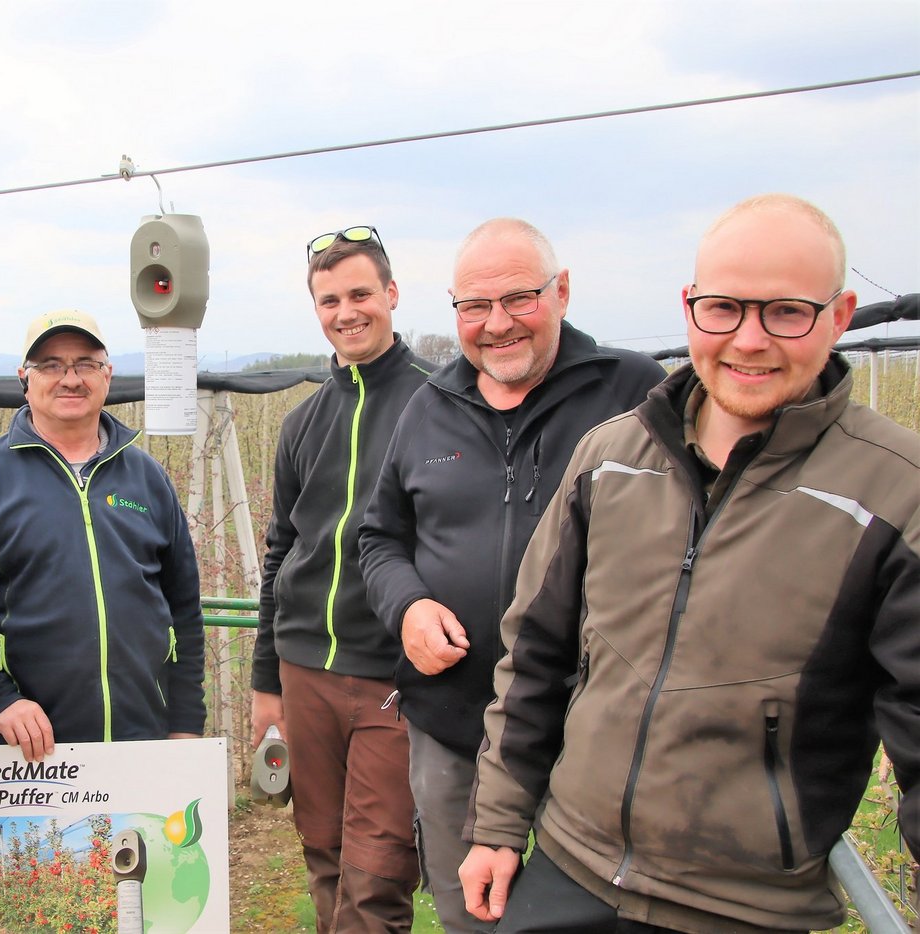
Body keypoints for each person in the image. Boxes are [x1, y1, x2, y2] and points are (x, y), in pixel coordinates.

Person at [460, 194, 919, 933]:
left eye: (787, 312)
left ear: (839, 316)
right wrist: (498, 827)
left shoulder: (894, 493)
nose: (750, 339)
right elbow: (535, 655)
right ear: (690, 307)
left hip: (742, 906)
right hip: (571, 868)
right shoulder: (611, 459)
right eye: (725, 309)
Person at [359, 218, 663, 931]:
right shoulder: (428, 407)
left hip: (594, 737)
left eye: (519, 299)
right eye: (474, 307)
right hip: (453, 722)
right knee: (468, 912)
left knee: (587, 912)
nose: (497, 325)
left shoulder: (633, 393)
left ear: (562, 293)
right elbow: (380, 536)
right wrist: (407, 607)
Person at [251, 225, 432, 933]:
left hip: (393, 674)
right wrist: (267, 682)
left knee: (378, 869)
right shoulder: (302, 423)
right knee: (323, 854)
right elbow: (280, 551)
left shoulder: (438, 401)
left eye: (360, 293)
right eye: (329, 300)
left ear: (391, 294)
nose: (346, 312)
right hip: (305, 671)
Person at [0, 309, 205, 762]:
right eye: (51, 365)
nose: (70, 379)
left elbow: (184, 609)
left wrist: (185, 723)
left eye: (85, 364)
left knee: (143, 837)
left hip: (144, 740)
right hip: (28, 752)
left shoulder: (147, 477)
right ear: (25, 377)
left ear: (107, 374)